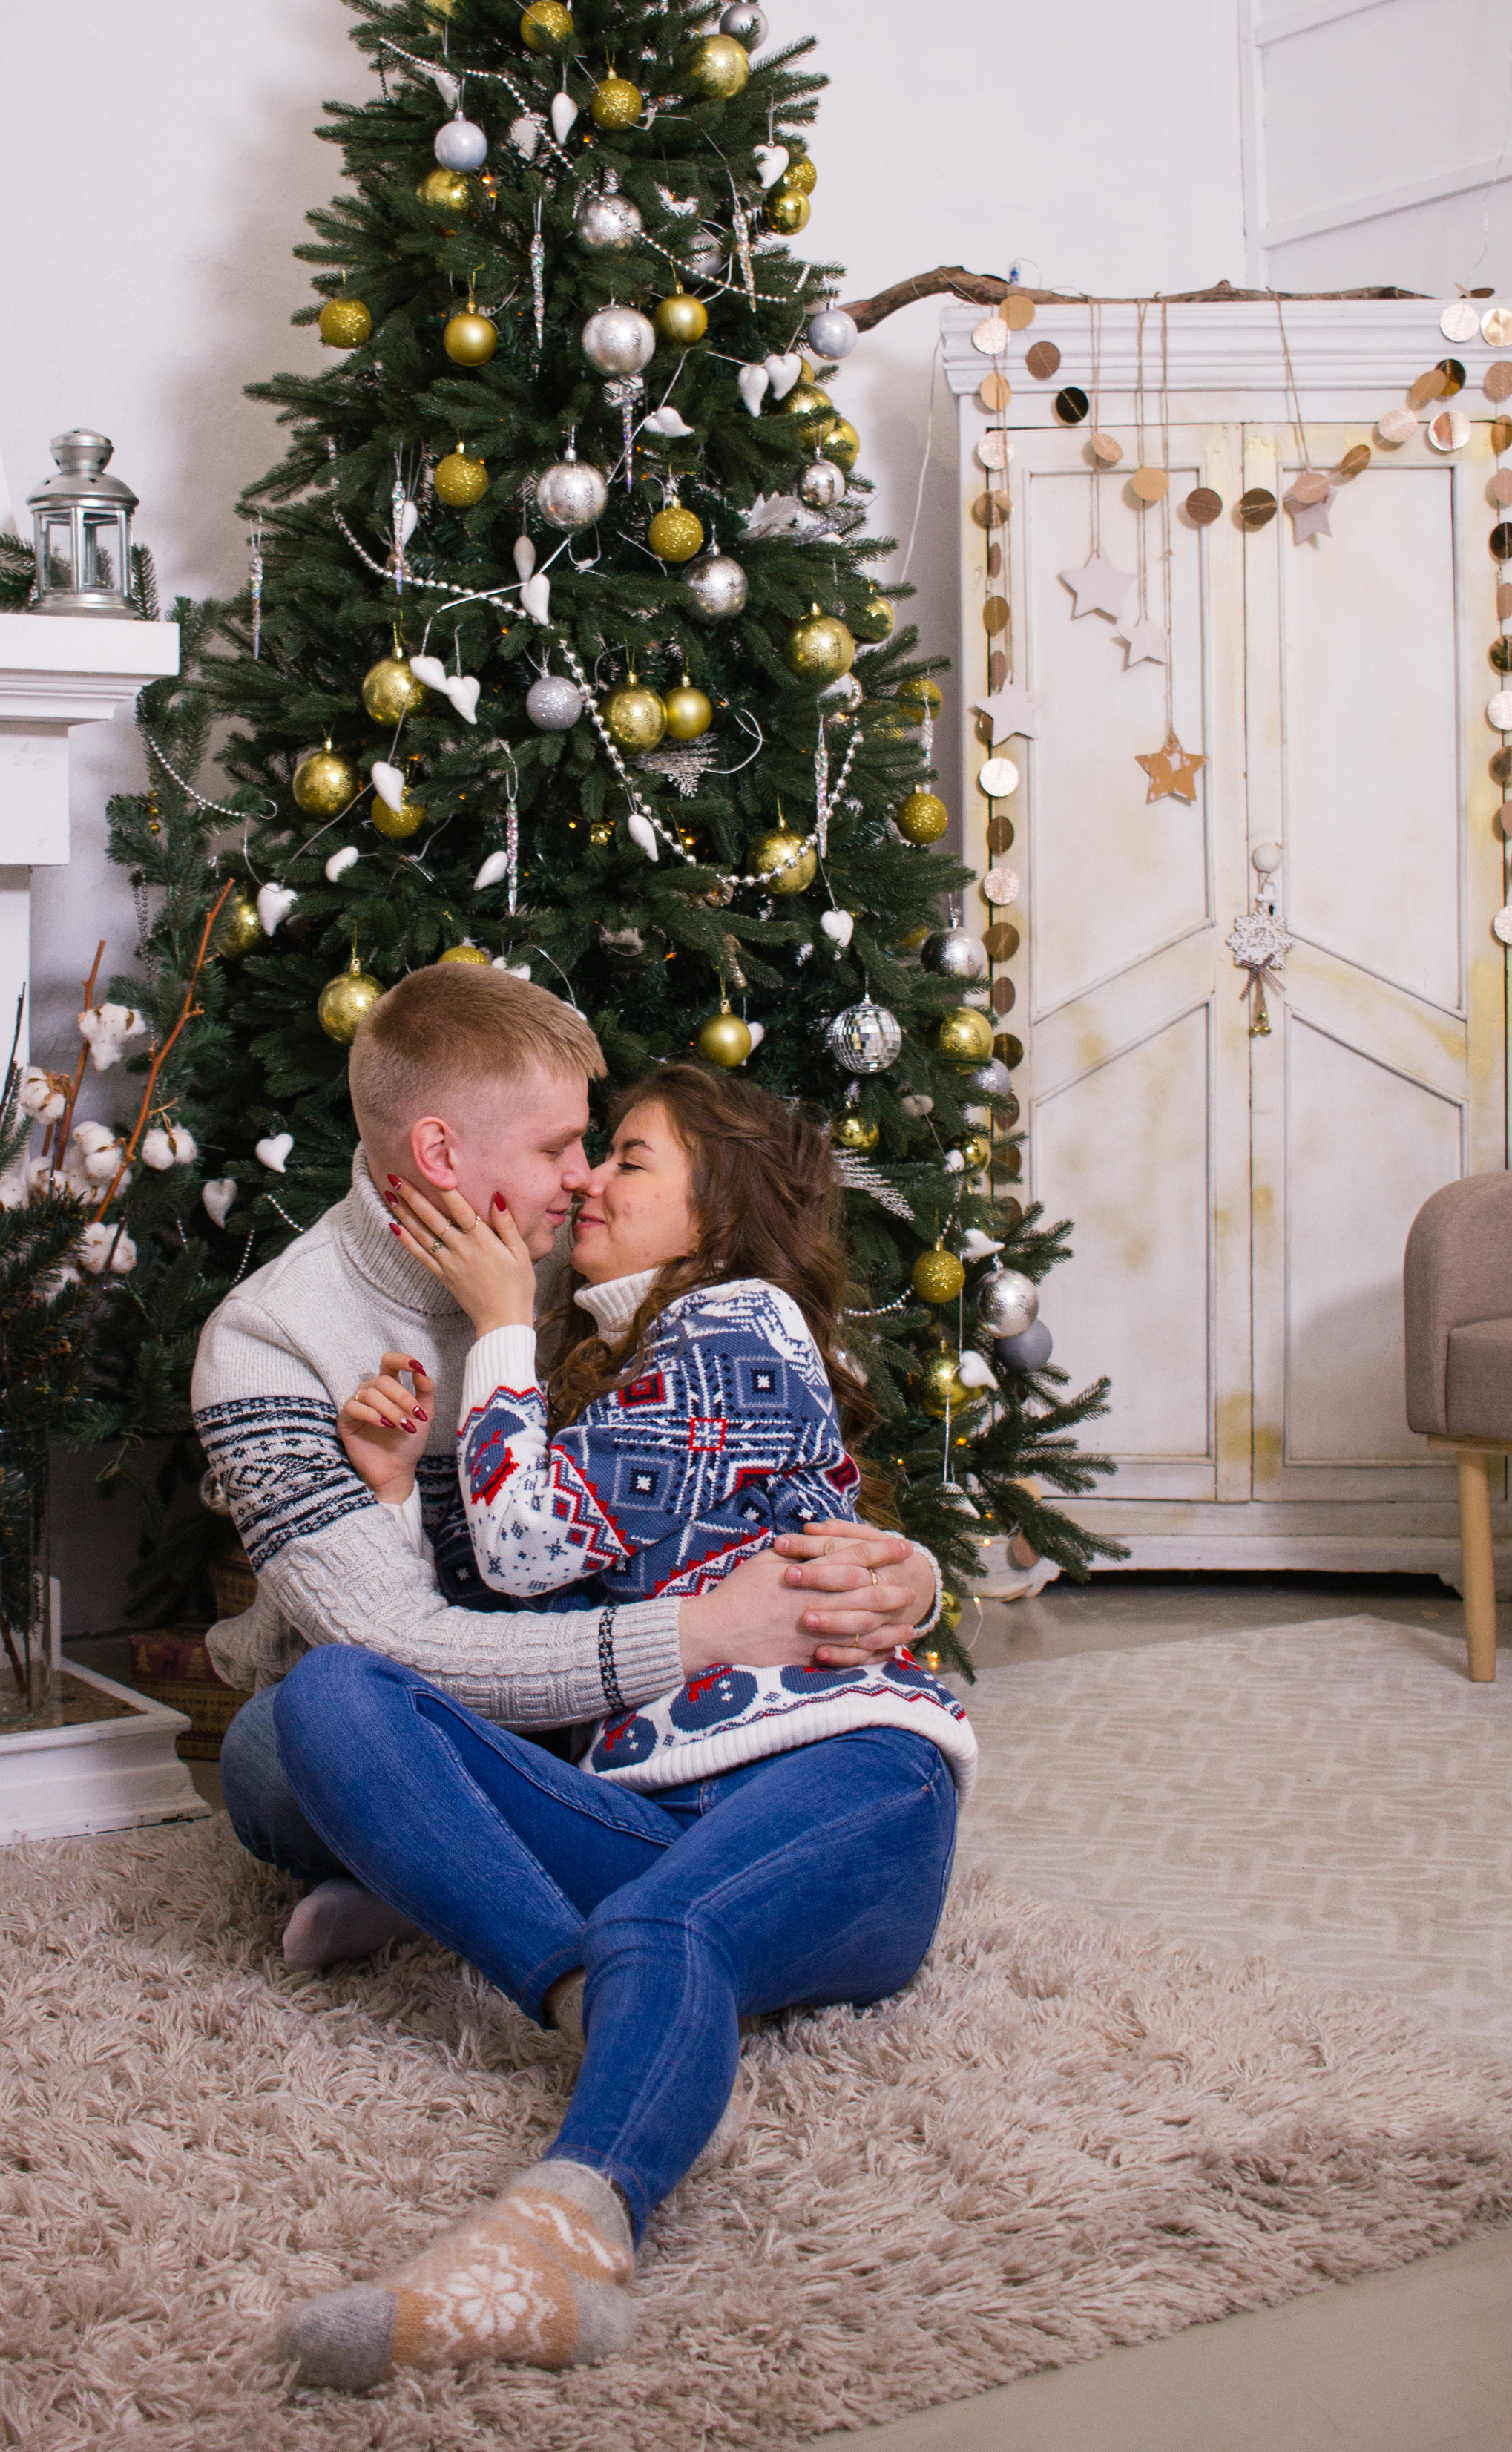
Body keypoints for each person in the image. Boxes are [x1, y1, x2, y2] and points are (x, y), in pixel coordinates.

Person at [272, 1064, 974, 2390]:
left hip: (849, 1778)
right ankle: (607, 1993)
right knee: (333, 1697)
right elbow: (490, 1620)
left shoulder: (742, 1323)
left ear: (718, 1220)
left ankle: (559, 2248)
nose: (590, 1178)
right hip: (663, 1802)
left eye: (632, 1160)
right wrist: (378, 1491)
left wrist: (498, 1327)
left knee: (668, 1924)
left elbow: (527, 1543)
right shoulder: (633, 1367)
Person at [193, 965, 944, 1969]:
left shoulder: (592, 1260)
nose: (585, 1176)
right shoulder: (268, 1341)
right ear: (439, 1151)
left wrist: (903, 1573)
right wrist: (707, 1631)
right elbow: (395, 1645)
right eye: (559, 1148)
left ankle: (459, 1886)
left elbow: (761, 1450)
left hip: (614, 1717)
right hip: (450, 1705)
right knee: (273, 1753)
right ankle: (616, 1926)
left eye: (598, 1147)